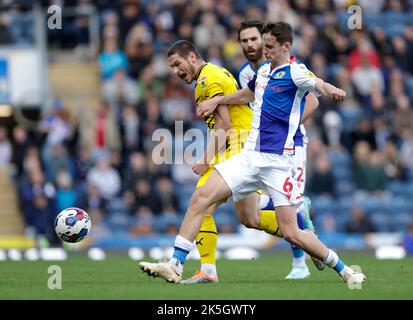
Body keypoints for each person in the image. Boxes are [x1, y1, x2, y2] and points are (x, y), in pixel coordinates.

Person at [139, 22, 366, 285]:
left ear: (286, 47)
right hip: (249, 157)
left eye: (268, 46)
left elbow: (318, 85)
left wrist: (333, 90)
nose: (263, 50)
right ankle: (175, 264)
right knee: (202, 198)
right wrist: (217, 101)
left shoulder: (296, 72)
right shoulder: (264, 72)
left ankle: (345, 270)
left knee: (292, 232)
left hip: (276, 164)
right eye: (262, 45)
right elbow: (246, 94)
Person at [152, 39, 318, 285]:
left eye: (178, 64)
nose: (176, 71)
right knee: (250, 219)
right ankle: (306, 235)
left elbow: (224, 124)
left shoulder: (209, 78)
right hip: (240, 147)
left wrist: (206, 160)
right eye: (172, 67)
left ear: (192, 58)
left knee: (201, 202)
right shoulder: (205, 78)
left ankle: (187, 264)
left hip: (239, 148)